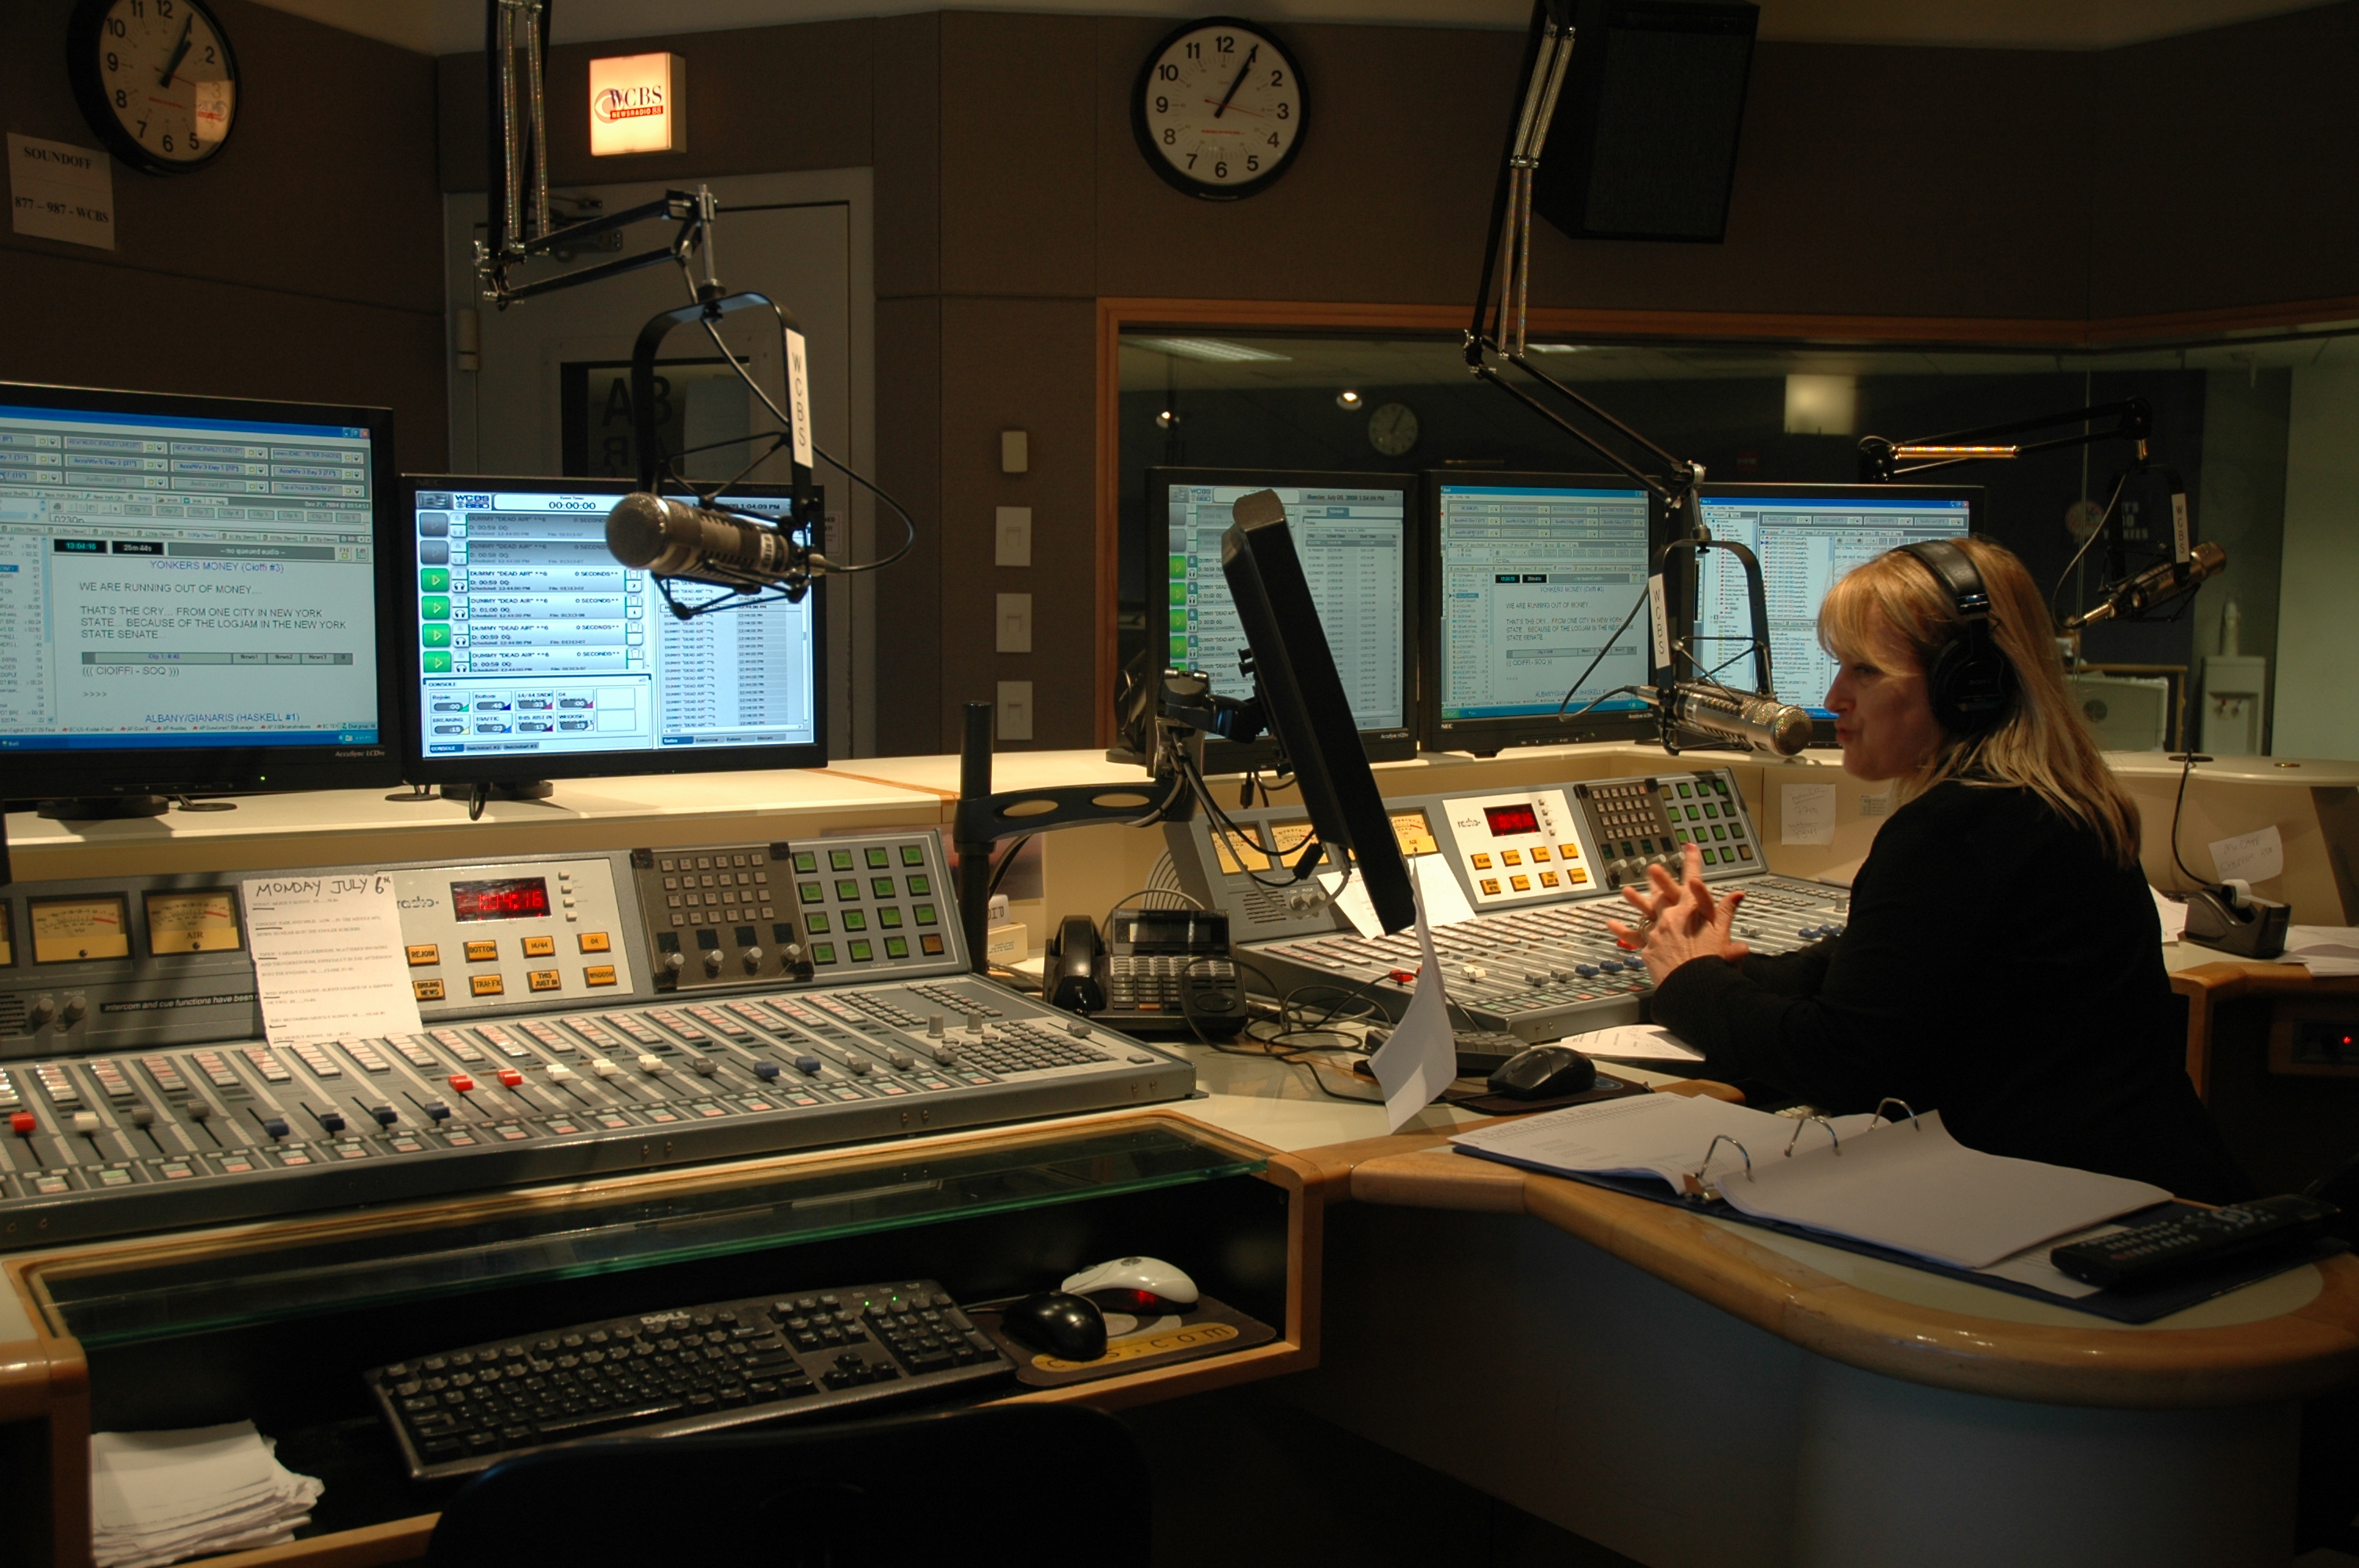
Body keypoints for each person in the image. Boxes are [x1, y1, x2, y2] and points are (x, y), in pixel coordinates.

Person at [1612, 536, 2249, 1203]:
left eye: (1865, 671)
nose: (1834, 697)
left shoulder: (1952, 830)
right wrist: (1724, 965)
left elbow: (1840, 1063)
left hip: (2074, 1217)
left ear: (1966, 684)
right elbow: (1883, 974)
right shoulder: (2059, 805)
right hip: (2150, 1188)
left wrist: (1690, 981)